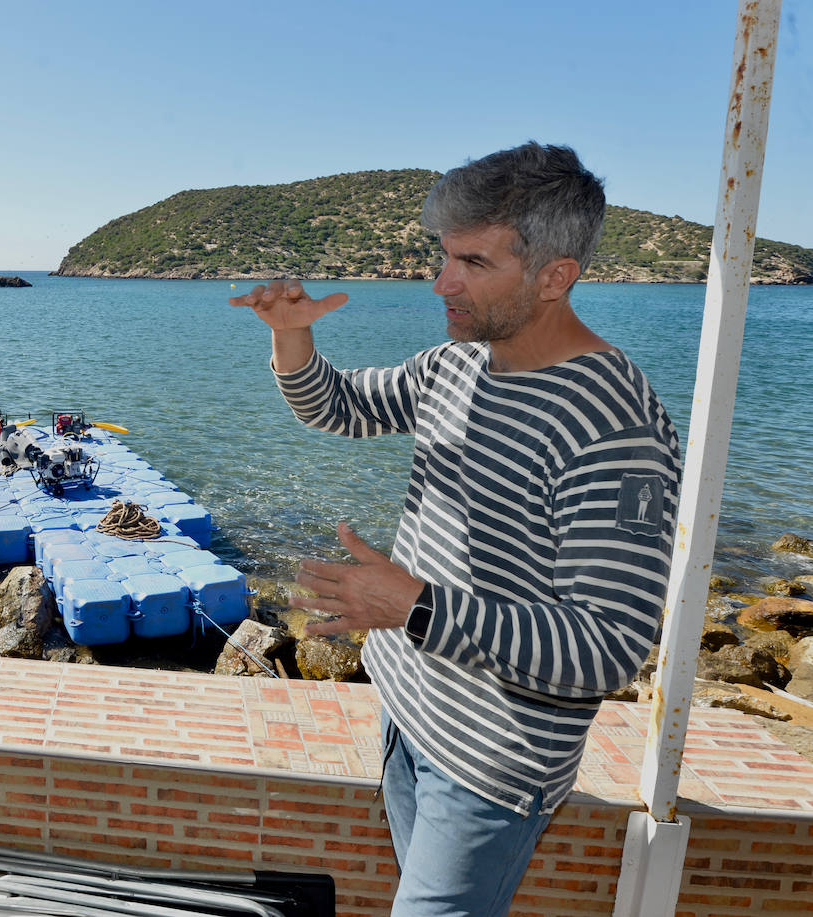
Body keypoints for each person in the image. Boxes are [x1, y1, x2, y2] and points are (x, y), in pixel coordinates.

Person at [230, 142, 681, 916]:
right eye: (443, 256)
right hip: (409, 715)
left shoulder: (614, 424)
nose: (442, 282)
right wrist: (291, 335)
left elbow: (606, 648)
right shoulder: (457, 364)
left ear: (554, 275)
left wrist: (416, 605)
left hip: (491, 768)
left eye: (471, 262)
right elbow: (341, 406)